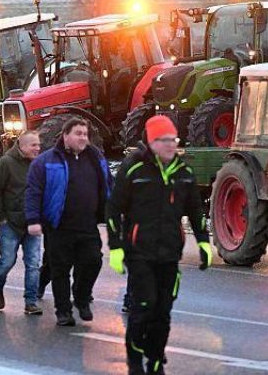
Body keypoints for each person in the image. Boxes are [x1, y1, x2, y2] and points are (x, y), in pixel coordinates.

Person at [106, 115, 212, 375]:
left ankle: (154, 361)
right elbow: (113, 209)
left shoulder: (183, 173)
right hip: (139, 251)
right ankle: (134, 357)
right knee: (144, 307)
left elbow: (196, 211)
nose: (170, 145)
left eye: (173, 139)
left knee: (162, 312)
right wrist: (116, 247)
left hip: (169, 253)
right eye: (163, 140)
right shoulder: (134, 169)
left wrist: (204, 243)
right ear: (152, 142)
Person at [25, 117, 111, 327]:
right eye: (78, 134)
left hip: (88, 224)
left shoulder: (95, 158)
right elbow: (33, 192)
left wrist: (113, 212)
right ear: (65, 136)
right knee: (60, 270)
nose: (83, 138)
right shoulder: (46, 161)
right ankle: (63, 311)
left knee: (93, 261)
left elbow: (109, 185)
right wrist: (33, 220)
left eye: (85, 134)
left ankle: (81, 298)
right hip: (59, 226)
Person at [0, 130, 44, 315]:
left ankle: (31, 302)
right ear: (22, 146)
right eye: (33, 145)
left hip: (32, 223)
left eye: (38, 144)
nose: (37, 148)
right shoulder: (6, 163)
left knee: (33, 263)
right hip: (10, 223)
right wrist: (1, 217)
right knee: (7, 261)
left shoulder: (39, 164)